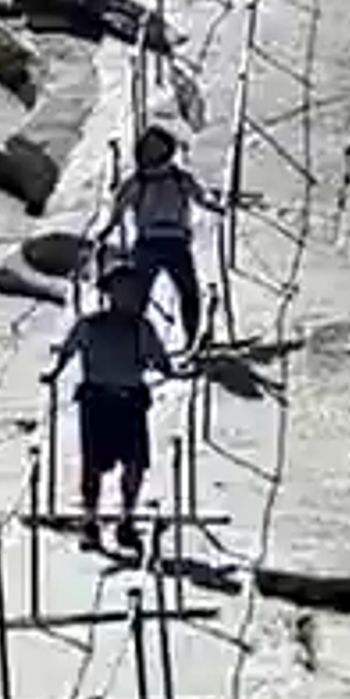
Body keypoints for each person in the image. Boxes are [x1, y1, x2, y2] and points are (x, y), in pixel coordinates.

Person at [59, 248, 167, 559]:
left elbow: (159, 359)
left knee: (134, 465)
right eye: (122, 289)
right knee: (92, 466)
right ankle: (91, 521)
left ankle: (126, 520)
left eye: (132, 289)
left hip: (131, 402)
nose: (128, 295)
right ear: (110, 293)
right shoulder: (90, 325)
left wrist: (162, 366)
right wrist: (55, 372)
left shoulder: (141, 327)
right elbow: (69, 349)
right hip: (97, 402)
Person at [112, 120, 210, 356]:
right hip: (154, 242)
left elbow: (200, 198)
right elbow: (118, 209)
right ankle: (133, 345)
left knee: (186, 293)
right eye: (148, 148)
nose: (151, 152)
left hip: (168, 242)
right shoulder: (140, 181)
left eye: (155, 147)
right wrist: (109, 228)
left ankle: (190, 342)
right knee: (142, 297)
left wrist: (215, 206)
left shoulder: (175, 178)